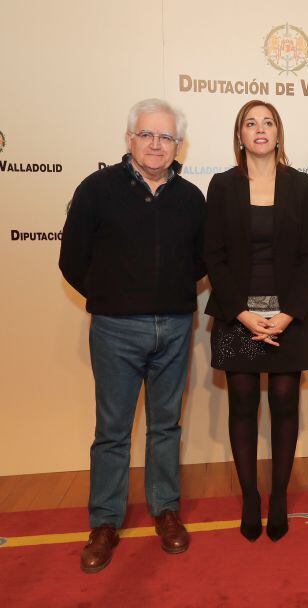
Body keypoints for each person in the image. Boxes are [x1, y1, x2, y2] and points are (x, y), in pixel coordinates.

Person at [59, 99, 206, 572]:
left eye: (166, 137)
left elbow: (203, 261)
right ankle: (104, 523)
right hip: (115, 329)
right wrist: (113, 300)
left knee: (166, 427)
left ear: (177, 144)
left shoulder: (191, 197)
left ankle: (166, 512)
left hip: (177, 327)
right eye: (147, 135)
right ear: (129, 139)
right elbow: (72, 259)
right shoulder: (96, 189)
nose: (156, 144)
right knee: (112, 433)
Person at [204, 100, 308, 542]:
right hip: (240, 315)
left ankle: (279, 497)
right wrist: (244, 314)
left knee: (286, 404)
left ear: (278, 133)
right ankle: (250, 496)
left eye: (267, 122)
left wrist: (288, 313)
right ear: (240, 135)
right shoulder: (222, 185)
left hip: (289, 315)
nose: (259, 129)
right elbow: (213, 255)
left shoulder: (301, 185)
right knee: (243, 405)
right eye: (250, 123)